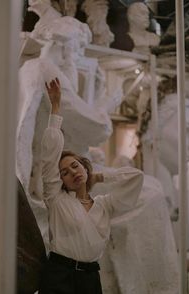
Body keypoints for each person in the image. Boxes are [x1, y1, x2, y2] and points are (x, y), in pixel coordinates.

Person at [39, 77, 144, 294]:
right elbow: (49, 156)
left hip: (90, 279)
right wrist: (56, 108)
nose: (72, 173)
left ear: (86, 168)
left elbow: (135, 177)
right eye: (64, 173)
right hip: (60, 276)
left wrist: (100, 177)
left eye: (75, 166)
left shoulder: (105, 205)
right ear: (62, 182)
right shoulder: (56, 200)